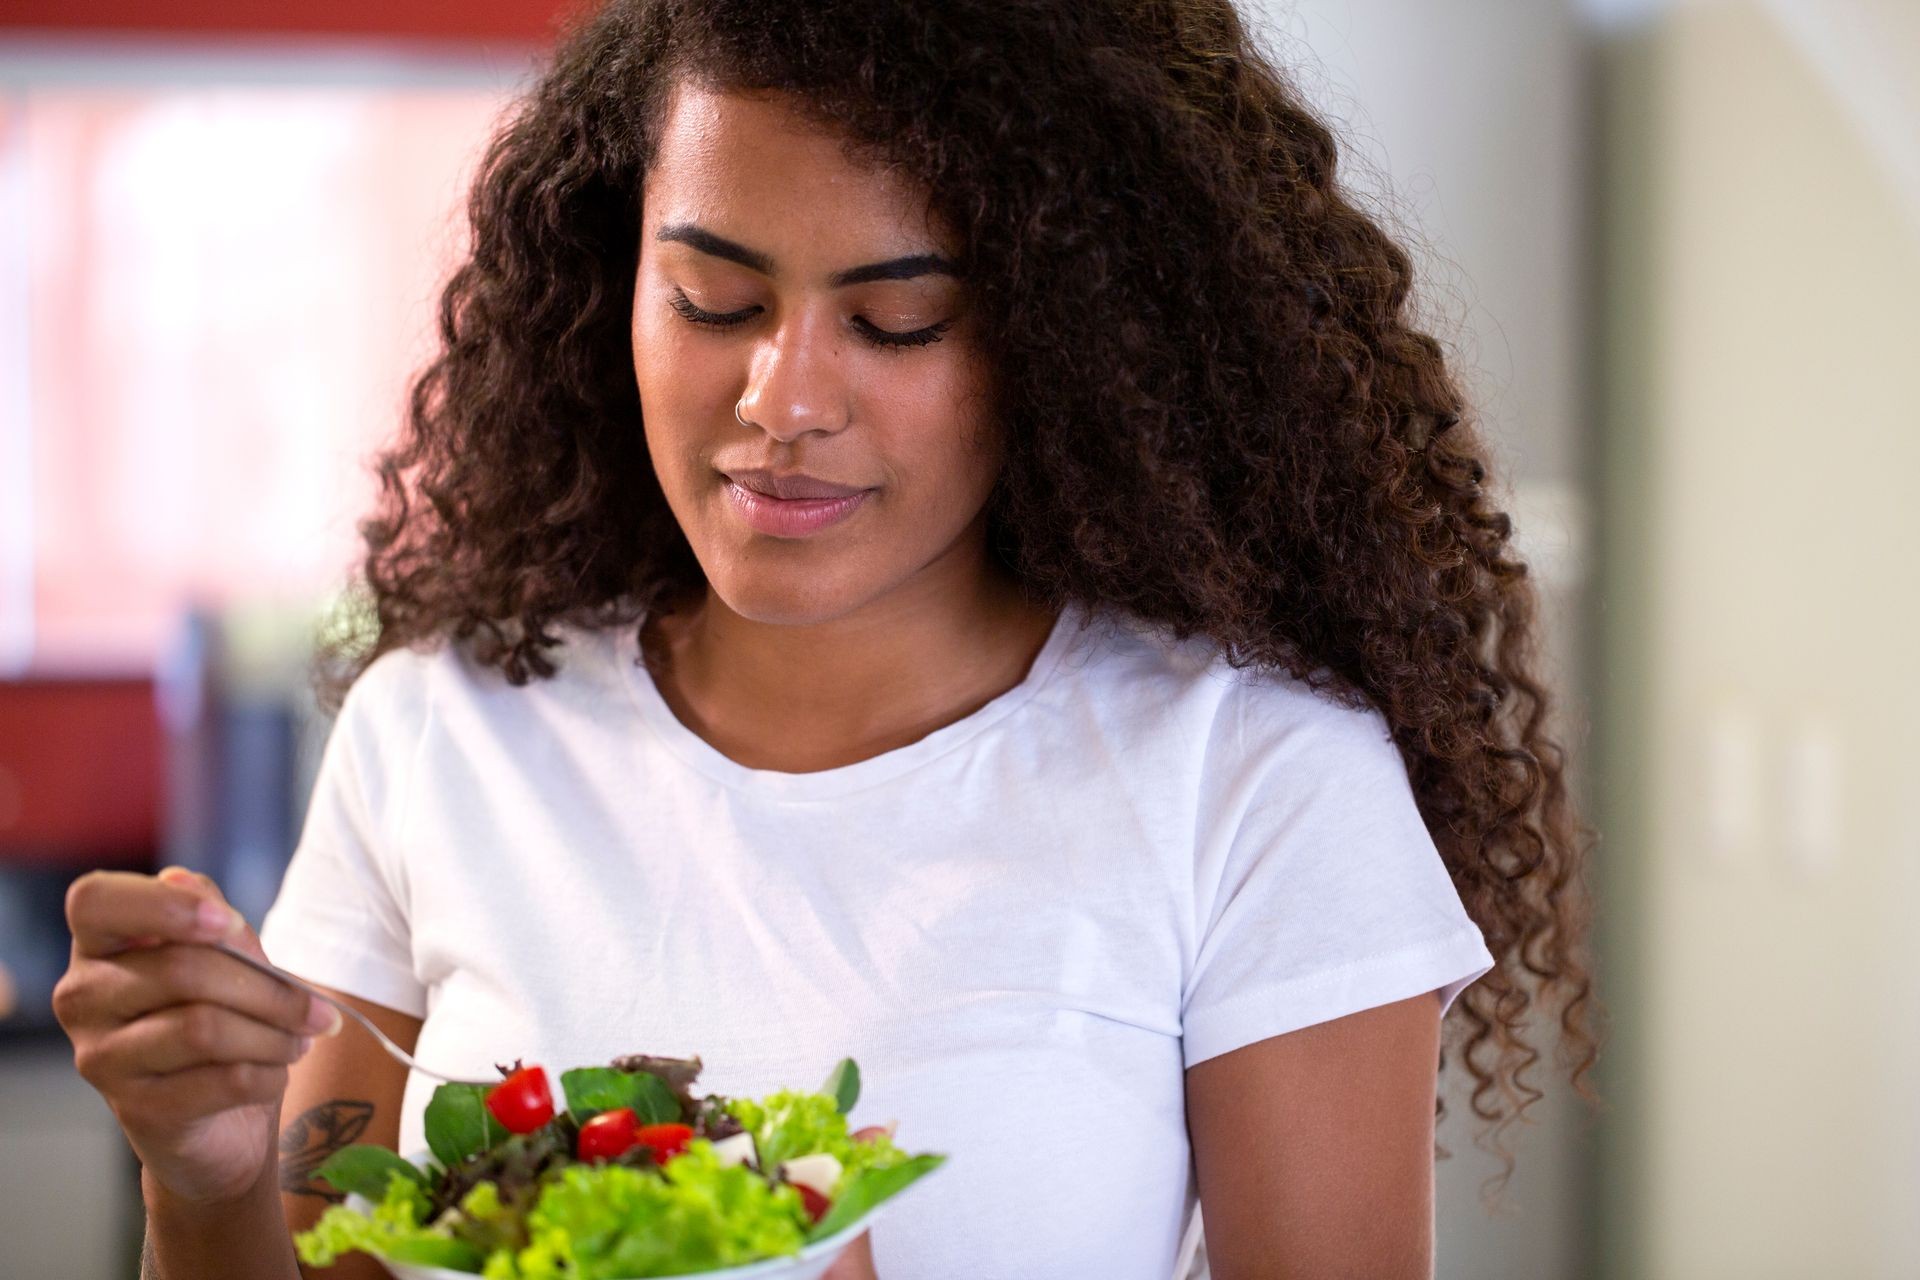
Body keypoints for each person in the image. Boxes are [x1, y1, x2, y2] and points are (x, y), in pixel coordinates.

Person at [54, 1, 1603, 1277]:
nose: (783, 403)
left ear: (1072, 339)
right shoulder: (442, 727)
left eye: (898, 321)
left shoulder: (1255, 778)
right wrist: (204, 1178)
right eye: (713, 296)